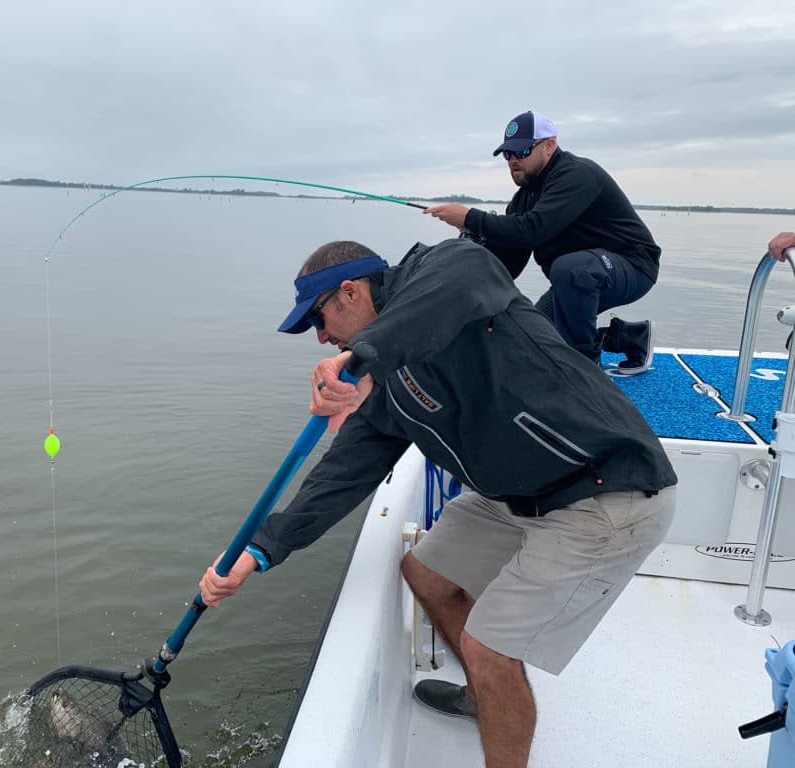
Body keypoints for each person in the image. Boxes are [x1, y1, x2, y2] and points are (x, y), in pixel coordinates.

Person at [198, 238, 677, 768]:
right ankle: (481, 698)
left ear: (351, 292)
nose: (321, 337)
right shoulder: (391, 385)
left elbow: (458, 281)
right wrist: (259, 551)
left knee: (489, 649)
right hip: (522, 496)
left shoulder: (452, 267)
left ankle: (493, 700)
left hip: (607, 488)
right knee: (425, 574)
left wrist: (361, 356)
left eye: (319, 318)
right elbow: (340, 475)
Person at [423, 110, 661, 375]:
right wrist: (474, 245)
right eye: (507, 154)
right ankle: (630, 337)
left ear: (549, 146)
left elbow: (533, 230)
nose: (513, 160)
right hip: (577, 278)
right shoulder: (524, 198)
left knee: (571, 269)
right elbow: (509, 262)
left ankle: (584, 368)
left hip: (632, 266)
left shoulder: (576, 175)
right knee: (529, 337)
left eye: (522, 151)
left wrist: (470, 217)